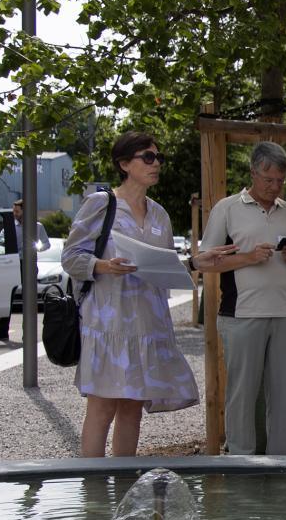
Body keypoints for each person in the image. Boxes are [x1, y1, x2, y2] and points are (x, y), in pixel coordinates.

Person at [62, 131, 199, 458]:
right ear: (124, 163)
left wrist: (195, 262)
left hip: (147, 324)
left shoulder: (159, 214)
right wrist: (103, 265)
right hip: (109, 324)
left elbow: (165, 263)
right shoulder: (101, 204)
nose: (156, 164)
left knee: (132, 409)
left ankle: (123, 486)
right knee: (102, 408)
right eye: (148, 157)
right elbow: (70, 257)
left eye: (158, 158)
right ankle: (93, 493)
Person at [196, 141, 286, 455]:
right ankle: (241, 461)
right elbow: (205, 262)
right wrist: (247, 258)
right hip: (241, 314)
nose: (274, 187)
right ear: (253, 173)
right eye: (268, 180)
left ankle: (284, 462)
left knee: (285, 394)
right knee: (242, 395)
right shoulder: (227, 208)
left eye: (279, 181)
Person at [0, 197, 26, 343]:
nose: (14, 213)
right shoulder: (9, 227)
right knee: (8, 296)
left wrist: (32, 246)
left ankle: (28, 332)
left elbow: (45, 244)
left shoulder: (36, 226)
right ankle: (2, 331)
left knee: (28, 299)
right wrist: (11, 241)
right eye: (13, 211)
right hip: (13, 262)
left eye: (17, 211)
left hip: (28, 263)